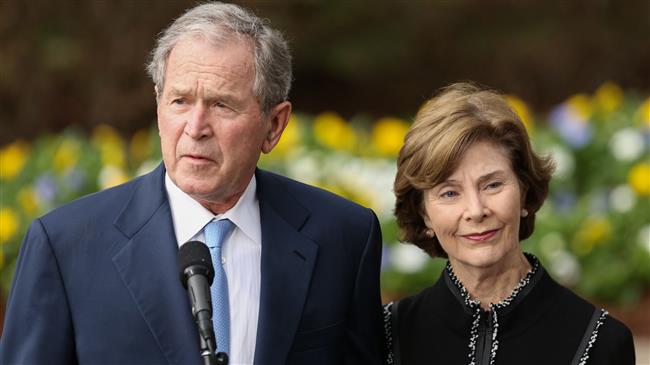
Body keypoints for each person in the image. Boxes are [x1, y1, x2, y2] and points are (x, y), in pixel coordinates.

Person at [0, 3, 383, 364]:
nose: (196, 128)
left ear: (274, 125)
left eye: (222, 105)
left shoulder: (343, 236)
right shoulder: (66, 245)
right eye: (180, 101)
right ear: (158, 105)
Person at [383, 83, 635, 365]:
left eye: (492, 185)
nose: (476, 211)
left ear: (524, 192)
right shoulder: (388, 337)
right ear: (424, 213)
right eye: (449, 193)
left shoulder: (600, 343)